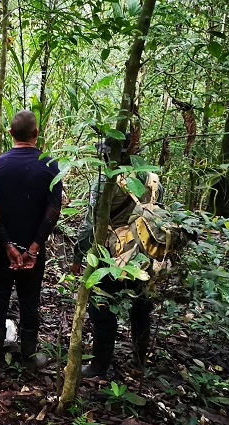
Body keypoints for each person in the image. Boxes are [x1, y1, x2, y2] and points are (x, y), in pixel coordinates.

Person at [71, 135, 164, 377]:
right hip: (146, 254)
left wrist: (78, 256)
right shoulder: (151, 177)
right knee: (141, 307)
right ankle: (140, 360)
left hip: (114, 255)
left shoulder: (106, 184)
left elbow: (90, 224)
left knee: (102, 307)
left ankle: (100, 365)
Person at [0, 110, 62, 371]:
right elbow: (53, 211)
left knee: (0, 297)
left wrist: (8, 246)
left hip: (1, 249)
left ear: (10, 134)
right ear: (36, 134)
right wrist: (34, 249)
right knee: (30, 300)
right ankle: (28, 356)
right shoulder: (50, 166)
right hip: (33, 252)